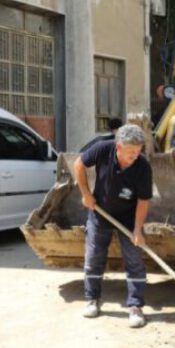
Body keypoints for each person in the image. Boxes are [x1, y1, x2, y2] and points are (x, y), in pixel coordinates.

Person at [74, 124, 153, 328]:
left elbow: (144, 201)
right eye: (130, 152)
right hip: (100, 213)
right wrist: (86, 194)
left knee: (134, 259)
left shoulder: (143, 167)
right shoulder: (103, 148)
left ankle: (135, 307)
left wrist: (137, 229)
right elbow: (79, 164)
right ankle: (92, 299)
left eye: (138, 151)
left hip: (128, 217)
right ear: (118, 147)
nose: (135, 156)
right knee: (94, 258)